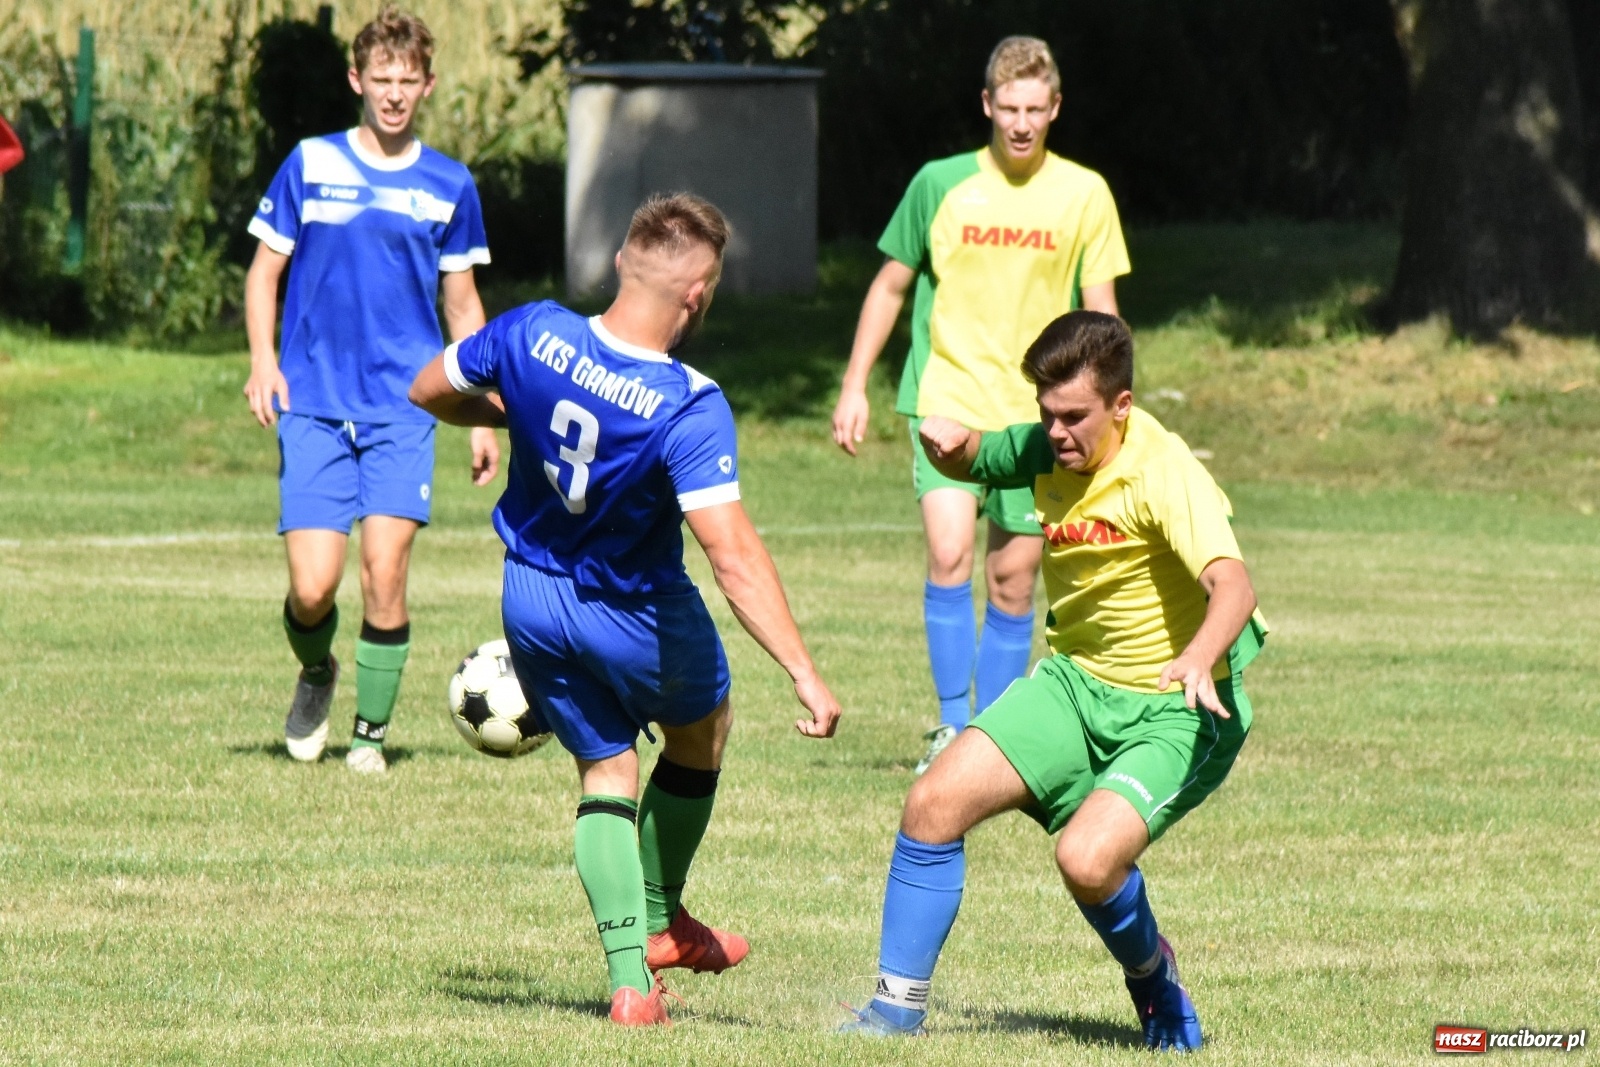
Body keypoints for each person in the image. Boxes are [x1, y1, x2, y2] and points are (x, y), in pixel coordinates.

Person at [409, 193, 844, 1028]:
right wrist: (804, 671)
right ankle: (662, 917)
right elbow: (733, 553)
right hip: (636, 607)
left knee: (607, 772)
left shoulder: (533, 330)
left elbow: (429, 387)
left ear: (620, 261)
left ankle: (630, 985)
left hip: (530, 595)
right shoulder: (687, 401)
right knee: (704, 725)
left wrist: (507, 411)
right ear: (698, 295)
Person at [841, 311, 1266, 1051]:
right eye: (1047, 414)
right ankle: (893, 1012)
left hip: (1178, 706)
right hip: (1075, 685)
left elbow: (1233, 584)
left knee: (1087, 858)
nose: (1058, 432)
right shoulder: (1047, 445)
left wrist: (1198, 656)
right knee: (931, 803)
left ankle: (1154, 981)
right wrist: (953, 443)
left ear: (1122, 407)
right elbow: (983, 456)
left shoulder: (1163, 472)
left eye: (1076, 417)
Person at [831, 36, 1132, 775]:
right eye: (1009, 108)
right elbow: (889, 286)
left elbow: (1103, 314)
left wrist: (1117, 414)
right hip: (947, 398)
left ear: (1055, 108)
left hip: (1040, 421)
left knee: (1012, 579)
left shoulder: (1084, 193)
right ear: (987, 106)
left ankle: (993, 735)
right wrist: (853, 383)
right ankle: (951, 724)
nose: (1022, 122)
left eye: (1036, 108)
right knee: (947, 552)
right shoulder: (939, 184)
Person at [242, 6, 497, 775]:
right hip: (314, 401)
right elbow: (264, 274)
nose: (392, 94)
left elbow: (463, 306)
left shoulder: (450, 184)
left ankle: (370, 740)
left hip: (406, 407)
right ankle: (316, 671)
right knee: (313, 588)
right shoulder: (311, 164)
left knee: (385, 569)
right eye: (379, 79)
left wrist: (483, 412)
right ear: (357, 80)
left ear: (427, 86)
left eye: (406, 81)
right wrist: (263, 360)